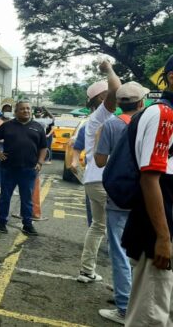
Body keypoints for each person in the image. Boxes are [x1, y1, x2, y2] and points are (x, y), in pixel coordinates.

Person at [119, 56, 173, 326]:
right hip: (158, 228)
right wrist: (163, 237)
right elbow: (150, 180)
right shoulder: (162, 114)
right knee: (151, 314)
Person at [93, 82, 148, 324]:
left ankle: (124, 305)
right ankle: (139, 301)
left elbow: (100, 161)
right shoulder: (149, 123)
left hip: (119, 195)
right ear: (141, 103)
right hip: (147, 195)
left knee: (119, 249)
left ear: (119, 104)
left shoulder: (111, 125)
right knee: (142, 250)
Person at [77, 61, 122, 284]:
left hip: (93, 181)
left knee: (98, 226)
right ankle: (123, 284)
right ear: (101, 99)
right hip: (104, 181)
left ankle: (87, 271)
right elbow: (116, 88)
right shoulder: (102, 116)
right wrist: (109, 70)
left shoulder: (99, 119)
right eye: (108, 95)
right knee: (116, 231)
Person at [0, 101, 47, 236]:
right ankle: (1, 223)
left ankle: (27, 225)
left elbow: (43, 147)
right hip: (9, 168)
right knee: (5, 197)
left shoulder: (38, 127)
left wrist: (40, 162)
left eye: (28, 108)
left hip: (29, 169)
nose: (25, 111)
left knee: (27, 199)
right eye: (22, 109)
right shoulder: (7, 126)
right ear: (16, 111)